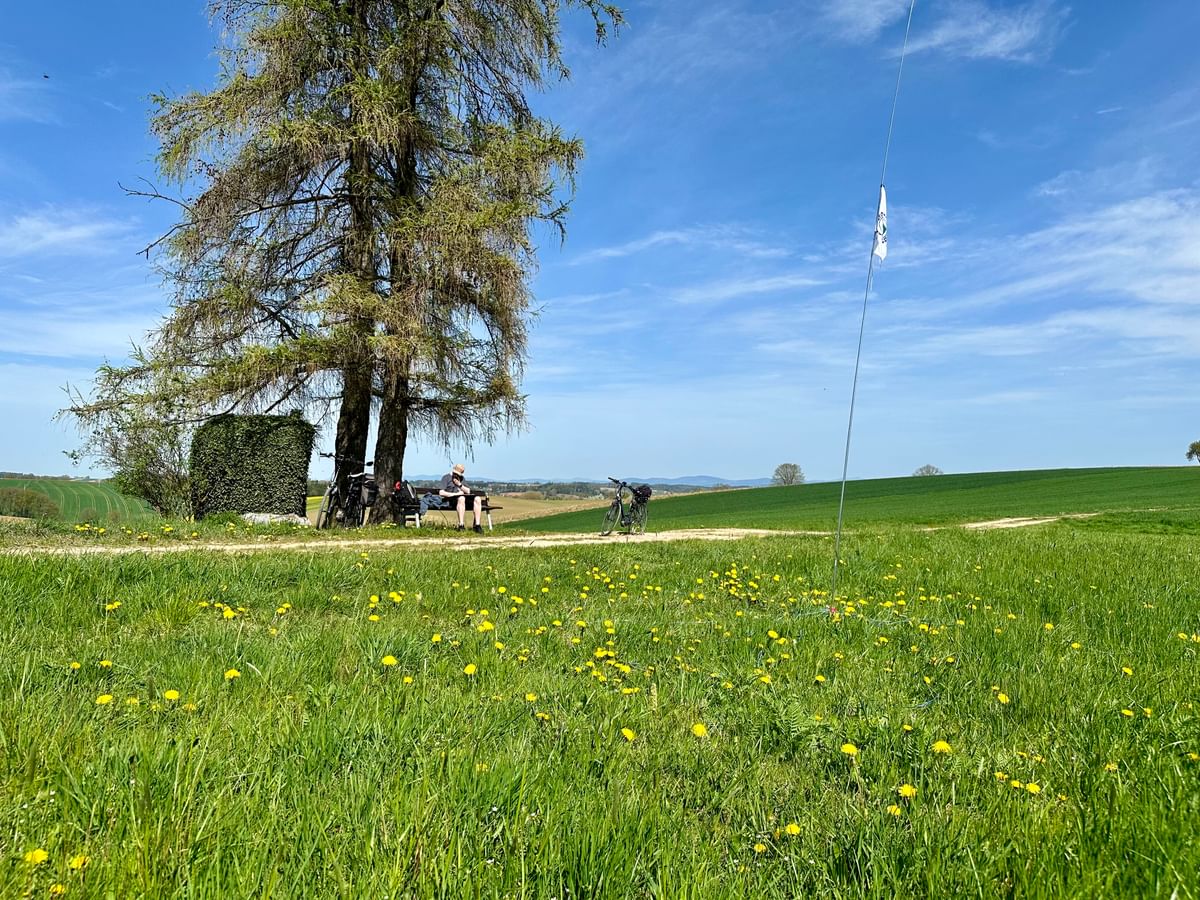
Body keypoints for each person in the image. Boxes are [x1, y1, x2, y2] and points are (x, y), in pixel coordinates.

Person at [421, 463, 484, 532]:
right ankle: (461, 525)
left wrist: (459, 485)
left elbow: (468, 491)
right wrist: (455, 494)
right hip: (452, 500)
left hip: (464, 499)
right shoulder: (446, 477)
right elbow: (441, 492)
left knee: (478, 499)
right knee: (461, 498)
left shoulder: (461, 478)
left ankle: (477, 525)